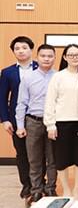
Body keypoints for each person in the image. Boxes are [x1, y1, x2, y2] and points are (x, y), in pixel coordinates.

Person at [44, 44, 78, 200]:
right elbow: (50, 101)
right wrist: (50, 125)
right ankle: (66, 190)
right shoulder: (58, 76)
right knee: (61, 159)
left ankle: (76, 190)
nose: (75, 57)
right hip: (61, 123)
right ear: (64, 57)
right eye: (71, 55)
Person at [15, 44, 57, 204]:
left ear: (54, 57)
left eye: (50, 56)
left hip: (53, 123)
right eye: (43, 56)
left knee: (52, 158)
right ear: (37, 57)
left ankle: (51, 188)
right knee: (34, 159)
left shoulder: (57, 76)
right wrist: (20, 125)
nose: (46, 59)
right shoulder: (28, 78)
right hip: (33, 122)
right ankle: (37, 190)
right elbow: (21, 103)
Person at [0, 36, 38, 199]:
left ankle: (39, 183)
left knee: (39, 153)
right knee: (22, 153)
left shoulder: (40, 67)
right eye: (17, 48)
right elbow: (2, 97)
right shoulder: (8, 72)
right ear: (14, 52)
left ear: (31, 49)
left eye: (24, 47)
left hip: (38, 117)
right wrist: (5, 120)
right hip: (17, 119)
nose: (21, 50)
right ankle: (27, 185)